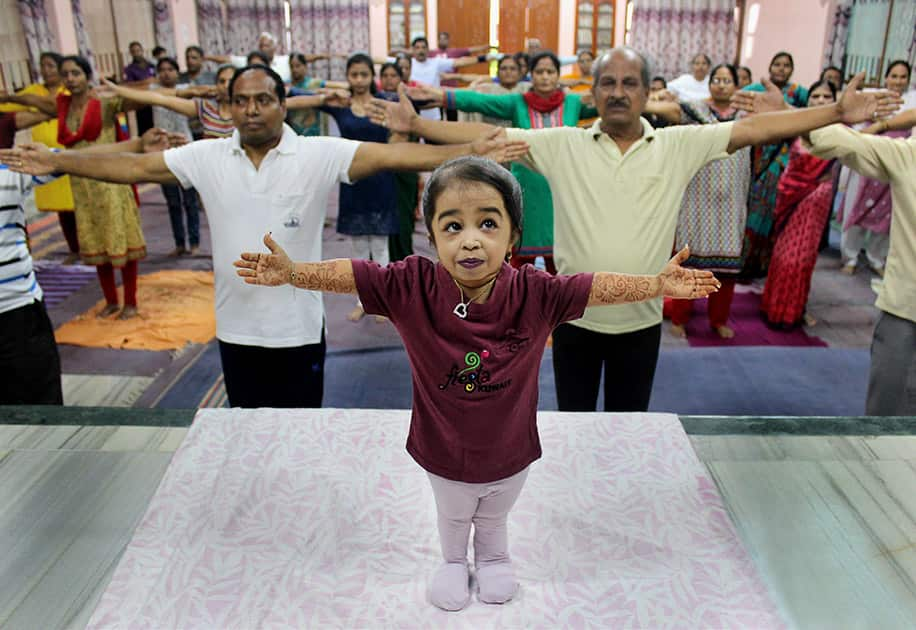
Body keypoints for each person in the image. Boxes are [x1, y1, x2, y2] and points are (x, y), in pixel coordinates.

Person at [232, 155, 720, 610]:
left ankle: (492, 560)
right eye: (453, 226)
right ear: (432, 236)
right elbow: (353, 275)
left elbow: (594, 287)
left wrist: (656, 285)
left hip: (511, 451)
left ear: (513, 236)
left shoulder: (536, 291)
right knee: (453, 514)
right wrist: (295, 274)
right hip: (442, 452)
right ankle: (451, 561)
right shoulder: (411, 286)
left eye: (488, 223)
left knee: (494, 515)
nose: (470, 240)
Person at [371, 46, 901, 412]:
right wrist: (416, 125)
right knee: (575, 427)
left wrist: (833, 110)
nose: (618, 92)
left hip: (641, 325)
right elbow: (485, 135)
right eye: (608, 83)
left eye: (630, 83)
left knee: (630, 426)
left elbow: (756, 127)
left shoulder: (677, 145)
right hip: (575, 321)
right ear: (594, 92)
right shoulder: (564, 144)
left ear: (649, 91)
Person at [0, 64, 529, 409]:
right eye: (241, 101)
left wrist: (467, 155)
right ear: (228, 108)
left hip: (297, 330)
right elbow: (134, 169)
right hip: (236, 330)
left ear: (284, 105)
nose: (251, 109)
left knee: (300, 430)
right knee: (245, 428)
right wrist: (56, 161)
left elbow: (393, 156)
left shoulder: (318, 152)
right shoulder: (206, 157)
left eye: (263, 100)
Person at [408, 52, 597, 273]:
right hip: (527, 189)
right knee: (519, 263)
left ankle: (560, 306)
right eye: (539, 72)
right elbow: (482, 102)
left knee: (562, 266)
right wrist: (442, 96)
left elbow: (607, 108)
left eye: (550, 72)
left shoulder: (573, 102)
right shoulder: (519, 103)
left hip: (562, 190)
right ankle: (515, 303)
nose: (545, 77)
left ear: (558, 75)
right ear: (531, 75)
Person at [9, 56, 149, 319]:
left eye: (76, 73)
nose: (71, 79)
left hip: (111, 182)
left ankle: (130, 301)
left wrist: (120, 89)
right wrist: (7, 97)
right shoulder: (62, 106)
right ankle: (110, 300)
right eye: (66, 74)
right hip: (82, 187)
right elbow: (30, 101)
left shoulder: (105, 102)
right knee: (96, 242)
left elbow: (143, 99)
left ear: (87, 75)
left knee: (121, 240)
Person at [804, 117, 916, 415]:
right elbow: (841, 141)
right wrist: (793, 115)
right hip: (906, 311)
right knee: (888, 418)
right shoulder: (908, 155)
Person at [650, 64, 751, 339]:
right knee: (687, 263)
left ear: (736, 85)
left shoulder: (747, 117)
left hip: (731, 202)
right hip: (696, 200)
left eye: (727, 80)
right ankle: (680, 317)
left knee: (726, 268)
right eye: (716, 80)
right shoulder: (693, 110)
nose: (721, 85)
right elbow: (663, 110)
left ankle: (718, 320)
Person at [320, 54, 400, 322]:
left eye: (364, 74)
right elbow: (294, 92)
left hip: (381, 179)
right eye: (354, 75)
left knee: (380, 247)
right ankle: (363, 301)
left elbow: (418, 102)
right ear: (347, 77)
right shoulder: (341, 105)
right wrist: (328, 90)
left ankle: (385, 302)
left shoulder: (385, 103)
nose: (359, 80)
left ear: (371, 76)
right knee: (358, 249)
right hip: (353, 181)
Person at [761, 80, 839, 328]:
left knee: (803, 259)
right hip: (790, 197)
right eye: (815, 96)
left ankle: (794, 310)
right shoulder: (797, 123)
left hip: (816, 200)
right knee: (783, 256)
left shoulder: (840, 131)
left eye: (827, 96)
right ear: (808, 100)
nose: (820, 100)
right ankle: (773, 306)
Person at [0, 112, 61, 405]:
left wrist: (138, 146)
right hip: (18, 315)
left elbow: (68, 161)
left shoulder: (9, 172)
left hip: (17, 315)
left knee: (42, 416)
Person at [0, 51, 79, 264]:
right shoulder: (34, 91)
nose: (46, 70)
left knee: (83, 201)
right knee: (63, 208)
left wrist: (14, 97)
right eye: (43, 66)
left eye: (51, 66)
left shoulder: (70, 89)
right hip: (44, 160)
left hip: (70, 151)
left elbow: (55, 108)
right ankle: (74, 248)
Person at [837, 60, 913, 276]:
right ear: (886, 78)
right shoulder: (872, 99)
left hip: (896, 166)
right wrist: (878, 126)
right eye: (894, 76)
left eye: (903, 77)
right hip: (867, 162)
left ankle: (876, 258)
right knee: (856, 208)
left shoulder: (912, 102)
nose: (898, 81)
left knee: (888, 215)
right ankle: (849, 256)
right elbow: (858, 132)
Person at [739, 51, 809, 278]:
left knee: (770, 210)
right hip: (755, 154)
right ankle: (743, 261)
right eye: (777, 64)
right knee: (749, 207)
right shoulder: (756, 91)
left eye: (786, 65)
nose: (781, 69)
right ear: (769, 67)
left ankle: (761, 263)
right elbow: (736, 104)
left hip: (782, 159)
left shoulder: (798, 93)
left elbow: (810, 115)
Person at [150, 57, 202, 256]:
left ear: (177, 72)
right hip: (162, 151)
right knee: (172, 202)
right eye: (162, 69)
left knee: (190, 200)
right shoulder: (153, 92)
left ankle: (195, 243)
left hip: (185, 149)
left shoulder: (187, 89)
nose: (166, 73)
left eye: (170, 69)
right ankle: (180, 244)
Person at [407, 36, 491, 120]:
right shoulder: (407, 64)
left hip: (433, 114)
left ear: (428, 49)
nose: (420, 50)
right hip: (412, 112)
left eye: (423, 47)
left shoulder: (436, 63)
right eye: (417, 48)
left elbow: (460, 62)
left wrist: (485, 58)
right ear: (413, 50)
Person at [206, 32, 331, 84]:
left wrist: (326, 55)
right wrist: (205, 57)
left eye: (266, 45)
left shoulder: (284, 60)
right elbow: (227, 59)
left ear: (274, 47)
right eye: (261, 45)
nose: (263, 48)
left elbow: (304, 58)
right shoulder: (250, 61)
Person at [122, 41, 156, 134]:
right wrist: (146, 82)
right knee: (144, 128)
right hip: (141, 100)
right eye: (133, 51)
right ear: (131, 53)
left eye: (138, 50)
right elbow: (128, 85)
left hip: (156, 98)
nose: (136, 53)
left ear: (142, 50)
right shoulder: (129, 69)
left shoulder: (151, 65)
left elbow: (157, 79)